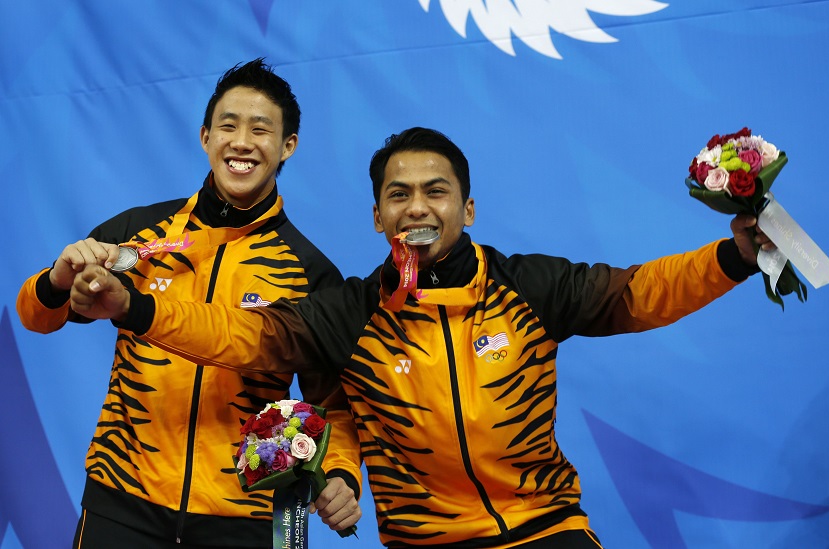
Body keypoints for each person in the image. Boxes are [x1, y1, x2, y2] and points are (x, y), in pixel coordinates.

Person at [69, 127, 772, 548]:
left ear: (467, 207)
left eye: (435, 191)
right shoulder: (348, 311)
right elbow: (241, 337)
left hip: (543, 528)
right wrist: (134, 307)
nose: (418, 206)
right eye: (399, 194)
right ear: (378, 217)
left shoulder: (529, 284)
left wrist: (736, 256)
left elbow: (641, 293)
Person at [16, 59, 361, 548]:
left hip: (248, 518)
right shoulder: (138, 235)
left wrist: (343, 472)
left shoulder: (310, 272)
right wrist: (55, 279)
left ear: (288, 146)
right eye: (228, 125)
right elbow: (36, 317)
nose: (241, 142)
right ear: (205, 137)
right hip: (124, 501)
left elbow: (333, 403)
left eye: (260, 130)